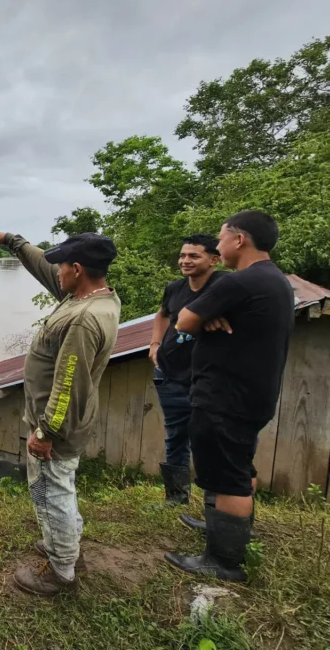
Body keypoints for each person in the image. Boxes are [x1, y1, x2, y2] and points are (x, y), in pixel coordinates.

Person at [0, 229, 120, 596]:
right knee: (59, 487)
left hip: (56, 428)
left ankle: (61, 571)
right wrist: (13, 242)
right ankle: (65, 544)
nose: (57, 272)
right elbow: (46, 267)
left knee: (50, 492)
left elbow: (69, 382)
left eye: (63, 266)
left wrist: (45, 433)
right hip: (65, 423)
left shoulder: (83, 319)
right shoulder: (91, 297)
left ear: (78, 269)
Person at [164, 211, 294, 582]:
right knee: (237, 465)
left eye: (221, 239)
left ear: (239, 239)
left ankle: (223, 560)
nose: (218, 246)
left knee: (229, 476)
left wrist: (201, 317)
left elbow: (183, 321)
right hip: (252, 393)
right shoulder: (275, 279)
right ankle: (223, 529)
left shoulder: (240, 282)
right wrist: (208, 317)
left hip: (225, 395)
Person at [148, 234, 226, 506]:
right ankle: (176, 498)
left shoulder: (225, 286)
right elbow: (162, 314)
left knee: (212, 440)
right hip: (169, 374)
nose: (185, 260)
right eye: (182, 255)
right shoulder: (175, 288)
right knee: (176, 436)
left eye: (194, 256)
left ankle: (215, 504)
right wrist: (155, 344)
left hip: (208, 379)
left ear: (214, 260)